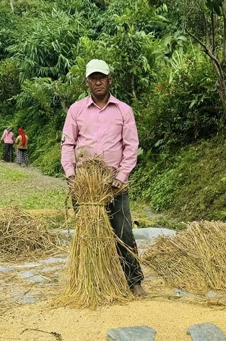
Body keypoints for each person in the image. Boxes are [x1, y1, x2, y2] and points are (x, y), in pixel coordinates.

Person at [61, 59, 145, 297]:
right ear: (87, 82)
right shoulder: (76, 110)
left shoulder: (123, 110)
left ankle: (133, 280)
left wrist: (121, 175)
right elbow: (68, 144)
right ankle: (92, 280)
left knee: (123, 231)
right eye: (93, 78)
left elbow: (131, 146)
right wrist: (71, 175)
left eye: (102, 77)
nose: (98, 82)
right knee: (89, 232)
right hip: (86, 185)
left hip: (114, 184)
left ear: (110, 80)